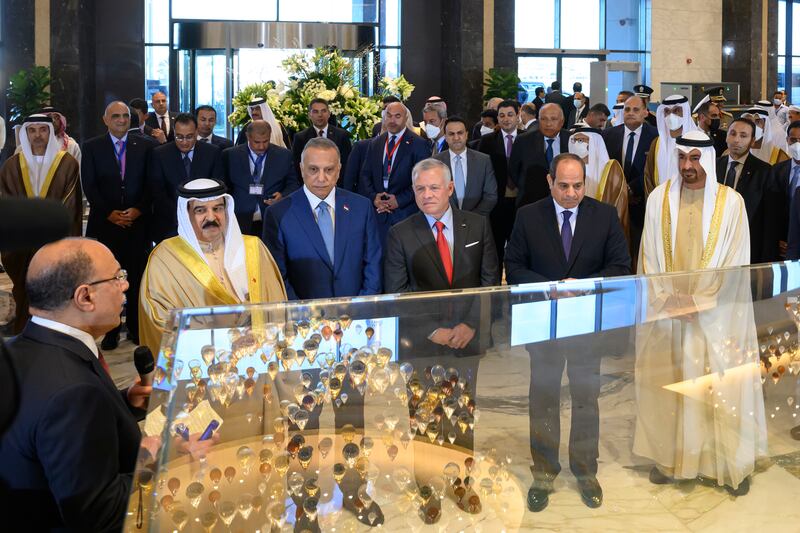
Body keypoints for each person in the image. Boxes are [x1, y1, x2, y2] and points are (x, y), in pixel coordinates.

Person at [635, 130, 767, 497]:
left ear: (707, 159)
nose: (688, 166)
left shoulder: (732, 203)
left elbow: (736, 261)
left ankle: (724, 463)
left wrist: (699, 301)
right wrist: (668, 298)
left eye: (695, 158)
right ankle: (673, 460)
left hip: (715, 315)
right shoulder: (658, 198)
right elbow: (647, 255)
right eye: (682, 158)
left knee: (718, 385)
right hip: (670, 314)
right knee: (671, 383)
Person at [504, 153, 630, 513]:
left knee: (586, 401)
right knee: (542, 400)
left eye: (578, 185)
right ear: (549, 181)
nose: (571, 193)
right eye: (564, 185)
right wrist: (551, 287)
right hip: (544, 325)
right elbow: (513, 268)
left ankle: (586, 472)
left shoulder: (603, 215)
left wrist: (584, 286)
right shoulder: (528, 216)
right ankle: (543, 474)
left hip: (586, 328)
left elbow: (620, 266)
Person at [0, 237, 153, 531]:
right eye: (118, 277)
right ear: (85, 297)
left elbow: (46, 424)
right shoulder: (73, 395)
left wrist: (122, 402)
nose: (125, 286)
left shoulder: (22, 347)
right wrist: (151, 460)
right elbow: (100, 514)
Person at [139, 178, 286, 354]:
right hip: (203, 360)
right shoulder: (165, 258)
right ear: (186, 215)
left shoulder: (253, 247)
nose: (211, 217)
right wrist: (223, 342)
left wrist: (261, 339)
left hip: (258, 353)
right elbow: (159, 320)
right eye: (200, 210)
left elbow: (277, 305)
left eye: (217, 208)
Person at [263, 137, 382, 299]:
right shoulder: (278, 213)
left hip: (356, 314)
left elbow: (373, 263)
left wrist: (361, 306)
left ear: (339, 170)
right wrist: (304, 315)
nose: (321, 178)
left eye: (329, 170)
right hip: (304, 318)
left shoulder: (361, 207)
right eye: (313, 169)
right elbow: (277, 276)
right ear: (301, 168)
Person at [81, 101, 156, 349]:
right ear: (105, 120)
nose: (122, 120)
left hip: (138, 225)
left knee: (135, 278)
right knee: (106, 280)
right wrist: (109, 213)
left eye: (125, 116)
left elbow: (151, 183)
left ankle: (135, 328)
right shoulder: (92, 147)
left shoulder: (146, 146)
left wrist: (138, 209)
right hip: (106, 225)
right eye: (116, 116)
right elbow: (90, 186)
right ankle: (111, 330)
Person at [0, 114, 81, 333]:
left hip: (57, 248)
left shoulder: (67, 163)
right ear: (25, 133)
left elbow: (71, 207)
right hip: (22, 251)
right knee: (26, 300)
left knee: (58, 300)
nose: (37, 135)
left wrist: (53, 242)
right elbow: (7, 207)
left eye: (42, 130)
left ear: (50, 132)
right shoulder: (11, 166)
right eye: (32, 130)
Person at [384, 157, 499, 292]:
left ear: (450, 188)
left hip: (472, 311)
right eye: (420, 189)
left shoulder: (479, 225)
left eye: (434, 188)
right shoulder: (399, 234)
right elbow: (397, 290)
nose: (427, 195)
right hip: (424, 312)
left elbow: (490, 281)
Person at [359, 101, 431, 243]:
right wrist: (374, 198)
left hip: (405, 214)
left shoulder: (419, 144)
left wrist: (399, 200)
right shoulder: (375, 143)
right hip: (378, 214)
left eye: (397, 116)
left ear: (405, 118)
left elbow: (423, 181)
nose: (392, 120)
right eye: (389, 116)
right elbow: (365, 175)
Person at [718, 118, 786, 263]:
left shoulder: (764, 171)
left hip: (748, 248)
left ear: (752, 141)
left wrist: (767, 260)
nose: (736, 140)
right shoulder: (714, 165)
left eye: (743, 136)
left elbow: (770, 220)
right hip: (717, 245)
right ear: (726, 136)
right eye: (733, 133)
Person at [149, 112, 224, 242]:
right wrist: (182, 214)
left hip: (206, 223)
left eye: (189, 137)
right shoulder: (160, 154)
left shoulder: (212, 152)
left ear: (196, 132)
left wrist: (199, 213)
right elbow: (157, 191)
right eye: (179, 137)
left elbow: (218, 187)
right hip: (170, 224)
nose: (184, 142)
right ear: (174, 132)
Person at [602, 95, 659, 260]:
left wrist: (632, 188)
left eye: (635, 109)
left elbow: (654, 169)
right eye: (627, 109)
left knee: (638, 250)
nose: (630, 113)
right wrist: (619, 191)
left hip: (641, 204)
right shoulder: (608, 135)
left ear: (645, 112)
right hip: (614, 204)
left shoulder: (656, 137)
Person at [223, 120, 298, 236]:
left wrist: (282, 195)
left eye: (266, 141)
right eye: (257, 142)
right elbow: (224, 187)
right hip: (239, 218)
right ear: (248, 136)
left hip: (272, 218)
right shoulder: (230, 155)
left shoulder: (284, 155)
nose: (262, 146)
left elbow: (293, 184)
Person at [478, 100, 524, 264]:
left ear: (518, 116)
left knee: (519, 251)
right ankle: (495, 288)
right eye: (502, 115)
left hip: (521, 204)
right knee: (495, 251)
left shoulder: (528, 139)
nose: (506, 119)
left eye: (510, 115)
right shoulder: (488, 141)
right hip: (497, 203)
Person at [567, 123, 630, 243]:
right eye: (574, 140)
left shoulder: (611, 171)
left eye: (581, 140)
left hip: (602, 232)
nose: (576, 144)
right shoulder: (566, 170)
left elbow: (618, 209)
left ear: (595, 143)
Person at [433, 116, 498, 217]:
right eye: (451, 134)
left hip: (477, 223)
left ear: (466, 135)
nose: (456, 138)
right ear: (445, 137)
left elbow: (491, 196)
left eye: (460, 133)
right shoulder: (435, 162)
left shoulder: (484, 160)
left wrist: (470, 219)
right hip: (445, 222)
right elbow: (433, 194)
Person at [509, 102, 571, 208]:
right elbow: (513, 170)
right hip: (530, 202)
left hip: (565, 201)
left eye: (553, 119)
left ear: (562, 122)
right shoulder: (523, 140)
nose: (548, 124)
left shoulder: (572, 140)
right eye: (543, 119)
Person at [644, 94, 698, 195]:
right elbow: (649, 177)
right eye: (667, 112)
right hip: (661, 202)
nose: (671, 115)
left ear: (685, 112)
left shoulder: (698, 142)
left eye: (677, 111)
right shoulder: (656, 144)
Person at [291, 98, 352, 180]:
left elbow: (347, 164)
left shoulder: (342, 135)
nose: (320, 115)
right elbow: (297, 166)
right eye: (315, 112)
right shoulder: (300, 137)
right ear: (309, 115)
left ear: (329, 113)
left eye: (323, 111)